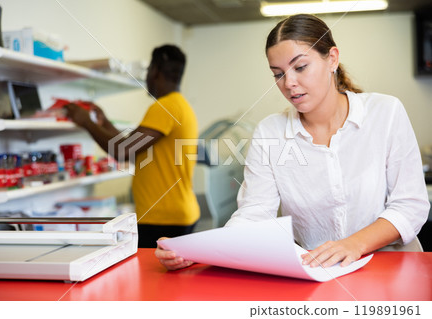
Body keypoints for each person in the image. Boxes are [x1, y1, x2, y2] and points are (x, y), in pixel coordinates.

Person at [155, 14, 430, 270]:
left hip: (392, 268)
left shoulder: (385, 112)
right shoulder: (269, 132)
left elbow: (411, 206)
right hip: (317, 272)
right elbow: (254, 214)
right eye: (278, 73)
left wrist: (354, 244)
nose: (289, 83)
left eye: (300, 67)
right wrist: (200, 251)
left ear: (332, 58)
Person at [65, 44, 200, 248]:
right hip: (178, 214)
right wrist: (105, 123)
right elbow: (132, 148)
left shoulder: (164, 107)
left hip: (162, 219)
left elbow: (121, 151)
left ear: (154, 71)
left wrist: (86, 121)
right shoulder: (181, 106)